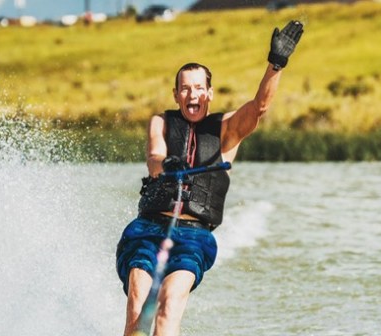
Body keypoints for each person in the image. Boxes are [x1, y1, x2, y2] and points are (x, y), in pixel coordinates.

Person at [116, 20, 304, 336]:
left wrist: (276, 65)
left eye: (199, 87)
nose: (193, 94)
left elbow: (259, 107)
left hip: (193, 236)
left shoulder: (227, 130)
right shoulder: (160, 122)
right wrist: (166, 165)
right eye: (186, 88)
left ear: (210, 93)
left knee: (168, 309)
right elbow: (154, 159)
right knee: (137, 306)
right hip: (147, 230)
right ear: (176, 94)